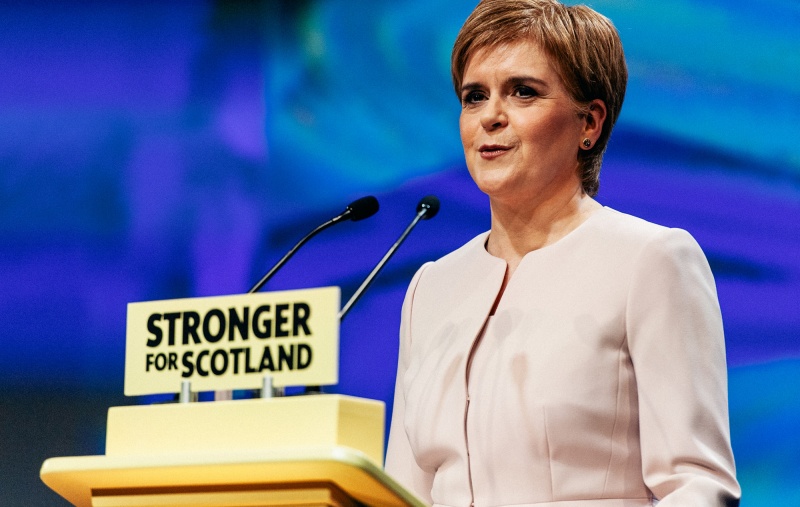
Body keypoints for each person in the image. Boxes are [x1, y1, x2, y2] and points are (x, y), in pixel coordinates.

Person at [384, 0, 741, 505]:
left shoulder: (650, 261)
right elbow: (402, 490)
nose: (491, 117)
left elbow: (698, 484)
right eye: (474, 96)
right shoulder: (430, 289)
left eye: (523, 92)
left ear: (589, 124)